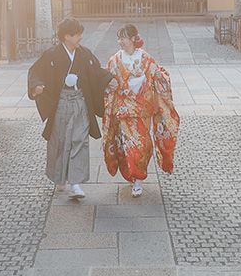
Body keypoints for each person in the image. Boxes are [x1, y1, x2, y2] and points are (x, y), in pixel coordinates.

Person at [27, 18, 109, 200]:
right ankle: (59, 177)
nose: (80, 37)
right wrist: (36, 86)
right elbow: (35, 71)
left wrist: (110, 79)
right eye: (77, 34)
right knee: (60, 140)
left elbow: (97, 72)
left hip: (80, 102)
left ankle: (76, 183)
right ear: (66, 36)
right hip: (61, 103)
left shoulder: (85, 54)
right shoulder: (51, 55)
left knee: (80, 140)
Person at [102, 23, 180, 197]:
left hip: (142, 110)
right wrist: (108, 82)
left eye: (122, 38)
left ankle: (138, 178)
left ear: (132, 38)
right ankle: (135, 179)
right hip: (123, 110)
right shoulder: (114, 60)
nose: (119, 41)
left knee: (143, 146)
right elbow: (107, 78)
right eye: (118, 38)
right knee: (127, 146)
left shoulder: (145, 58)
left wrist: (160, 76)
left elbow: (159, 74)